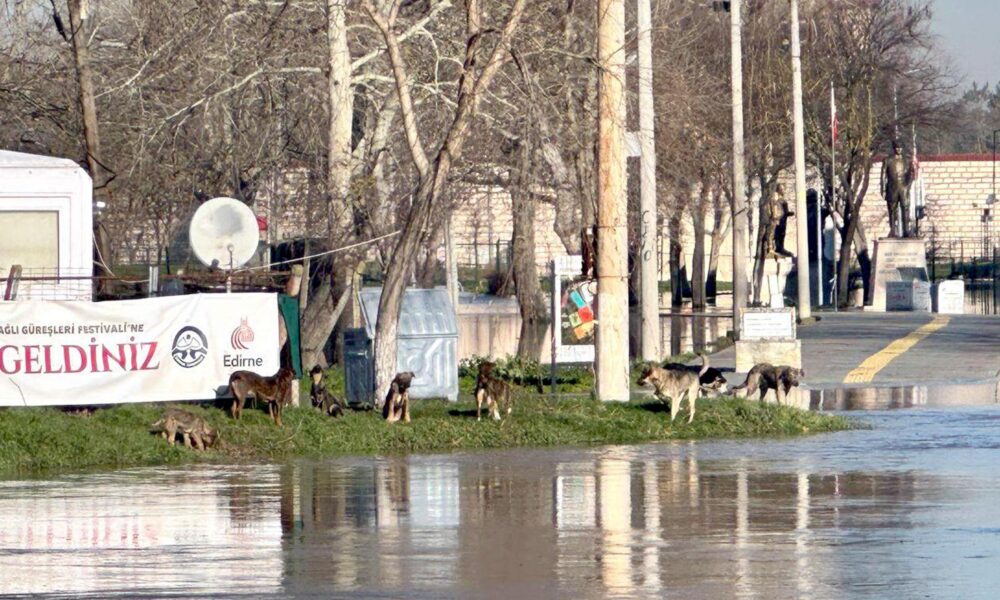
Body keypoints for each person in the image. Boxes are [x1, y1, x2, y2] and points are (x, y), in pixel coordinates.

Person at [881, 141, 913, 238]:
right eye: (897, 147)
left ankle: (906, 230)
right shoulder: (888, 160)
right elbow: (883, 176)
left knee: (905, 209)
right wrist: (883, 189)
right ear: (894, 148)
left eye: (900, 147)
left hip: (904, 188)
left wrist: (908, 185)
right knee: (892, 210)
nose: (899, 149)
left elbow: (910, 174)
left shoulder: (907, 160)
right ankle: (892, 231)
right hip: (892, 188)